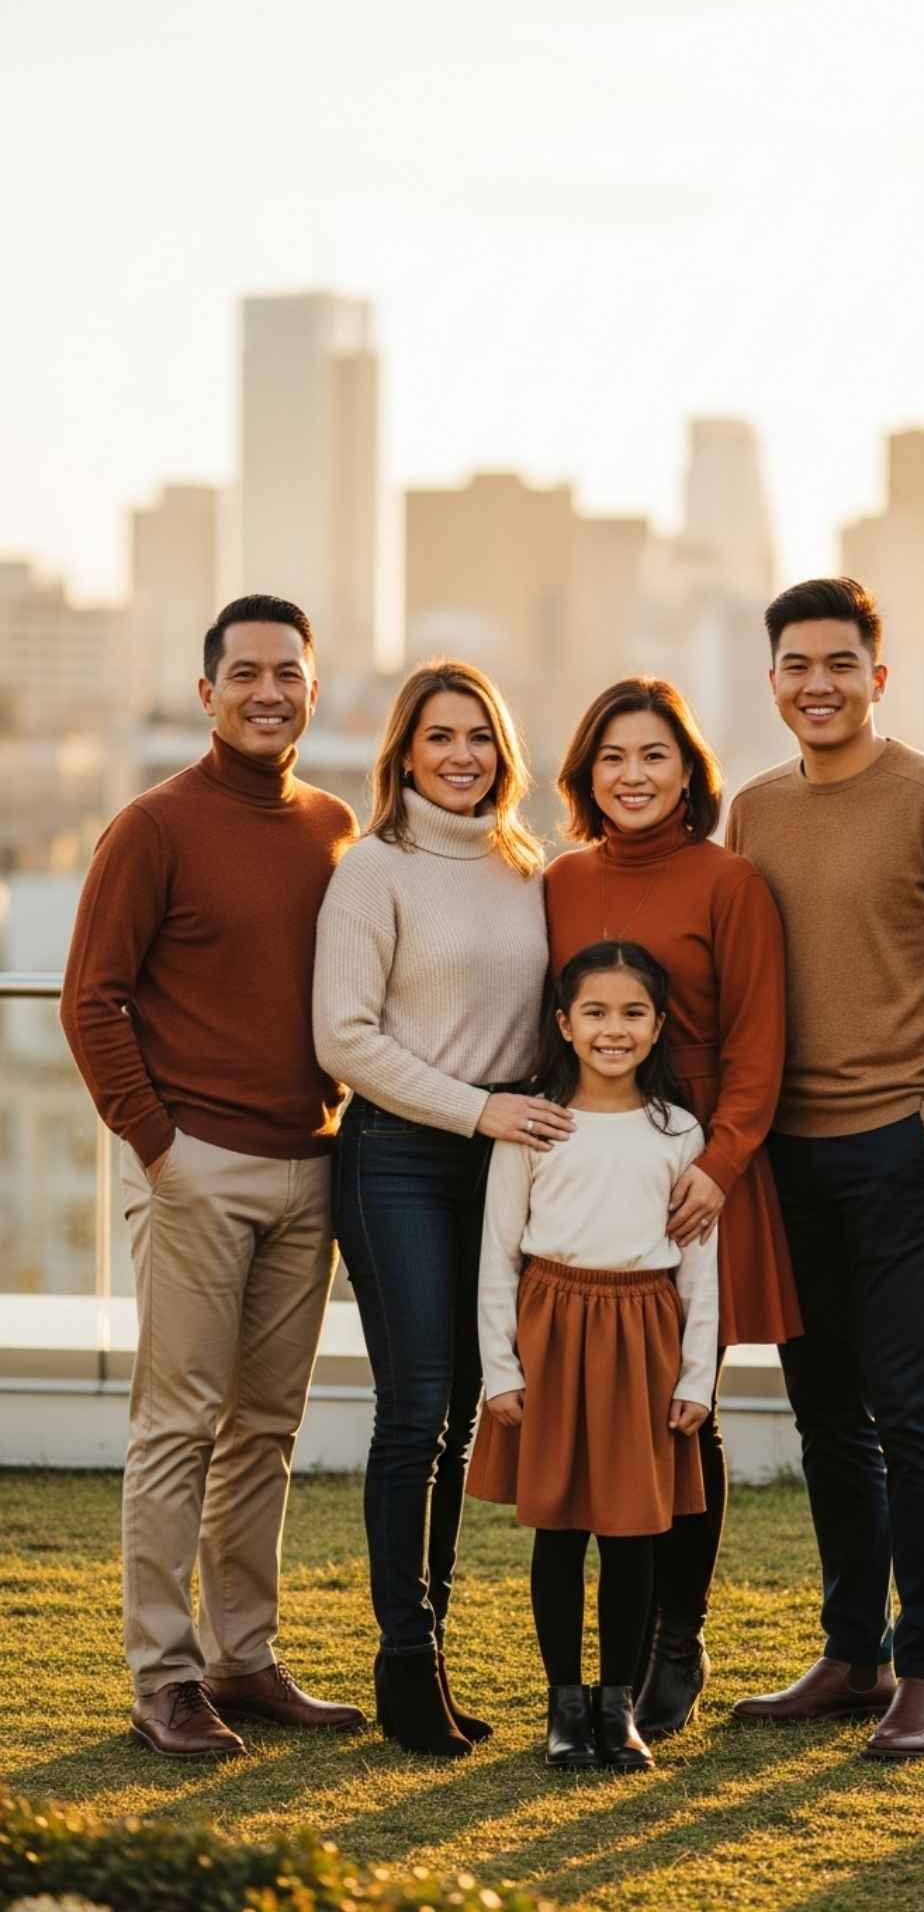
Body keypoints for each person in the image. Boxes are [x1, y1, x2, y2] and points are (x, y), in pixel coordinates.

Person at [726, 576, 924, 1759]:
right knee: (823, 1420)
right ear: (772, 683)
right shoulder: (753, 813)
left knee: (914, 1415)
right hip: (783, 1158)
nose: (818, 684)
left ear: (876, 676)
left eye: (839, 664)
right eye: (797, 666)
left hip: (902, 1152)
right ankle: (852, 1654)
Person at [59, 594, 365, 1759]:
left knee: (264, 1431)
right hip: (195, 1167)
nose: (268, 691)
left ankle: (242, 1659)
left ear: (313, 688)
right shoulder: (152, 826)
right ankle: (162, 1679)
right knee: (179, 1426)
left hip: (310, 1169)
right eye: (245, 673)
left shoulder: (335, 827)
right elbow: (93, 998)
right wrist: (158, 1147)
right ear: (208, 693)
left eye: (288, 671)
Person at [312, 659, 566, 1759]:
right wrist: (479, 1113)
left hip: (499, 1164)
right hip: (399, 1160)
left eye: (479, 736)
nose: (461, 755)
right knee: (414, 1412)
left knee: (463, 1415)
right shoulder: (375, 870)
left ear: (502, 753)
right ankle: (405, 1666)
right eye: (438, 737)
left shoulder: (526, 867)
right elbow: (345, 1039)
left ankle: (436, 1655)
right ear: (404, 754)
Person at [545, 677, 802, 1739]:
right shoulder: (557, 880)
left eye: (654, 756)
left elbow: (758, 1042)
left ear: (688, 771)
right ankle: (595, 1670)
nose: (633, 776)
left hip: (703, 1171)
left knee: (683, 1407)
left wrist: (723, 1165)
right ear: (585, 773)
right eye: (612, 757)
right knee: (599, 1406)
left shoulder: (730, 881)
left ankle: (676, 1636)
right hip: (591, 1164)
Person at [467, 940, 719, 1771]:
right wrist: (501, 1369)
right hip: (552, 1329)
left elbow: (700, 1269)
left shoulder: (678, 1133)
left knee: (632, 1531)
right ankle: (564, 1710)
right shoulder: (534, 1122)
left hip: (643, 1335)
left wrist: (697, 1377)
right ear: (565, 1024)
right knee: (562, 1528)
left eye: (633, 1012)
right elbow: (499, 1252)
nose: (615, 1029)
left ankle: (621, 1709)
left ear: (657, 1025)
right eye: (597, 1013)